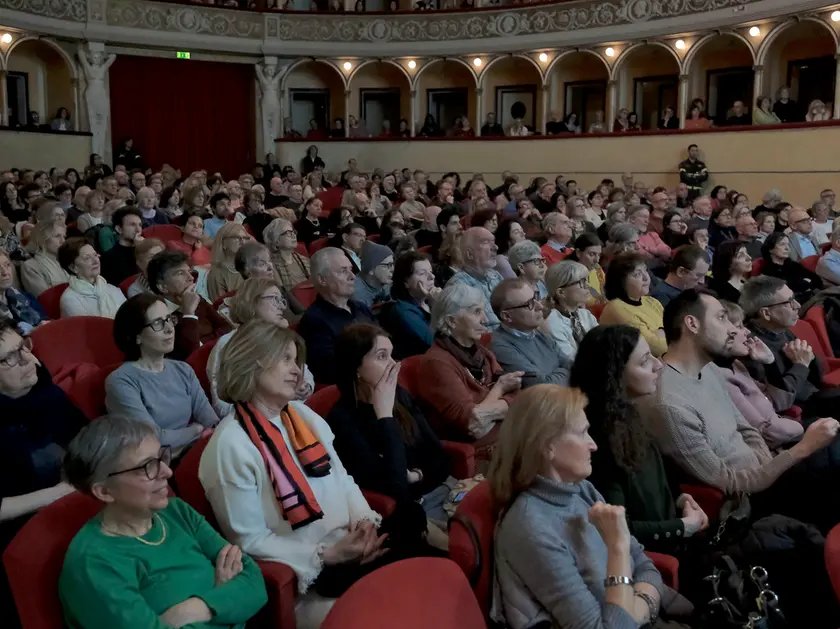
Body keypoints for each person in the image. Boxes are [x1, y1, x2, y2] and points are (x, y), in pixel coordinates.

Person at [199, 320, 413, 621]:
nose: (298, 370)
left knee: (429, 573)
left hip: (353, 548)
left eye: (297, 360)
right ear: (251, 363)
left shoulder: (301, 414)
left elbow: (342, 478)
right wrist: (329, 555)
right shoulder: (230, 446)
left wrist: (365, 522)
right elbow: (249, 542)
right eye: (285, 359)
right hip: (312, 577)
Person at [640, 289, 840, 533]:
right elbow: (731, 484)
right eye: (721, 318)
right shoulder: (669, 405)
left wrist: (770, 463)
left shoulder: (710, 369)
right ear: (692, 324)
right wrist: (802, 449)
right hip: (751, 503)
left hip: (769, 473)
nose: (733, 329)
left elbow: (745, 428)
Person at [58, 416, 267, 629]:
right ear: (104, 491)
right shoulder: (94, 564)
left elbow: (254, 582)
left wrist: (195, 608)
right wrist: (224, 596)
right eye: (147, 466)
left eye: (161, 458)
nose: (167, 471)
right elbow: (243, 591)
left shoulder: (176, 512)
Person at [490, 384, 665, 629]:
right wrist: (617, 548)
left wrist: (637, 611)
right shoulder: (529, 527)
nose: (593, 444)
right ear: (547, 445)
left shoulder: (581, 488)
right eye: (582, 433)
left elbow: (646, 566)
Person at [570, 325, 710, 552]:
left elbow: (660, 477)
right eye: (644, 361)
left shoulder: (629, 415)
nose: (659, 364)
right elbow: (616, 526)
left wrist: (681, 498)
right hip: (652, 559)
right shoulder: (597, 439)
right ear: (614, 374)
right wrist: (682, 526)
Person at [328, 323, 450, 548]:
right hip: (409, 514)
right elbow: (396, 490)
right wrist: (385, 416)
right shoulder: (342, 420)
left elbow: (440, 458)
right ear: (356, 367)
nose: (394, 365)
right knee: (466, 547)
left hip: (440, 490)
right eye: (382, 356)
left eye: (392, 356)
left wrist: (415, 475)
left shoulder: (399, 395)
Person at [415, 281, 522, 451]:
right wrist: (499, 388)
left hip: (508, 435)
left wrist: (487, 412)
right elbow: (470, 425)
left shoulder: (481, 352)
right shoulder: (437, 363)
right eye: (476, 312)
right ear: (452, 321)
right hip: (483, 450)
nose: (485, 320)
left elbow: (517, 395)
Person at [107, 294, 219, 453]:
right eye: (158, 323)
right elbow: (153, 439)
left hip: (199, 450)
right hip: (159, 464)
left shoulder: (183, 369)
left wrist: (203, 431)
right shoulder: (121, 381)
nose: (169, 329)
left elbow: (211, 420)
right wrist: (196, 430)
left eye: (169, 319)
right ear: (137, 336)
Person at [207, 278, 314, 418]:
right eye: (274, 299)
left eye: (282, 301)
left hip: (292, 415)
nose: (282, 307)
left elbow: (306, 374)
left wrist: (306, 387)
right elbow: (222, 405)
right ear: (252, 303)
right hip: (251, 423)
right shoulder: (228, 344)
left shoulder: (283, 338)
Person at [741, 276, 840, 419]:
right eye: (789, 302)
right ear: (766, 313)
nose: (798, 305)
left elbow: (818, 377)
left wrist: (808, 358)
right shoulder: (753, 348)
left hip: (818, 395)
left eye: (794, 298)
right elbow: (780, 401)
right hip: (802, 411)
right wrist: (801, 364)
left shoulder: (782, 329)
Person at [718, 300, 805, 448]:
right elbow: (767, 433)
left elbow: (778, 402)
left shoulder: (736, 364)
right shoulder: (722, 377)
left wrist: (770, 363)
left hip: (787, 431)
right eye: (739, 326)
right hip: (774, 453)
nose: (746, 331)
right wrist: (802, 428)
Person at [298, 247, 376, 384]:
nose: (353, 276)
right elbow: (331, 371)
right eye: (343, 271)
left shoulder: (361, 308)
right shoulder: (314, 321)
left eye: (351, 269)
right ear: (322, 280)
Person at [146, 251, 232, 360]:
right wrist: (188, 314)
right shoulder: (158, 317)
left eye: (189, 272)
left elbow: (227, 328)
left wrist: (205, 343)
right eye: (180, 273)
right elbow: (191, 354)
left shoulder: (197, 299)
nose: (191, 278)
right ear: (162, 287)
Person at [490, 278, 570, 387]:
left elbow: (573, 366)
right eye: (529, 304)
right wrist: (564, 371)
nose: (540, 306)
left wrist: (557, 373)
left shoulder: (535, 333)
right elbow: (543, 386)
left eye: (536, 298)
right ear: (507, 316)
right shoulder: (501, 346)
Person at [599, 253, 667, 356]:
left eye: (645, 270)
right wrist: (664, 330)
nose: (646, 278)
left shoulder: (652, 302)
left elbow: (678, 332)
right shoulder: (616, 308)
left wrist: (661, 333)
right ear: (620, 282)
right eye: (637, 274)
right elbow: (657, 348)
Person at [378, 251, 439, 360]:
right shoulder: (403, 311)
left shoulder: (429, 301)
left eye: (431, 271)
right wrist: (439, 307)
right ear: (406, 282)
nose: (432, 276)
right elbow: (434, 344)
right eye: (422, 273)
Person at [445, 227, 504, 330]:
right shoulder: (458, 286)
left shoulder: (496, 276)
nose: (495, 247)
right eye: (486, 242)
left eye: (493, 242)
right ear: (470, 254)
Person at [543, 261, 599, 360]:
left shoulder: (585, 314)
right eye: (581, 282)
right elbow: (571, 360)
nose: (588, 286)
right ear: (561, 292)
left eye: (586, 280)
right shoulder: (552, 323)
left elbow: (603, 343)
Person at [58, 237, 126, 318]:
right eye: (87, 258)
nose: (95, 261)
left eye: (95, 255)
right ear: (73, 267)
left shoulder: (111, 289)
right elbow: (89, 329)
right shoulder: (70, 300)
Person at [760, 231, 822, 301]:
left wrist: (802, 284)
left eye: (788, 244)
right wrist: (806, 283)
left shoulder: (793, 265)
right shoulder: (767, 272)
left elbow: (817, 280)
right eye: (782, 244)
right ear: (770, 249)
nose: (787, 248)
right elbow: (784, 293)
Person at [20, 219, 70, 297]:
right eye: (57, 236)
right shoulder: (30, 266)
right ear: (43, 238)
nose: (63, 241)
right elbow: (46, 298)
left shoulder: (62, 262)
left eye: (64, 236)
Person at [0, 250, 46, 333]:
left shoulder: (26, 297)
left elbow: (45, 320)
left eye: (7, 265)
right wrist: (34, 332)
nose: (5, 272)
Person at [263, 218, 310, 293]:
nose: (293, 235)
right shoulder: (271, 264)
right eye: (288, 233)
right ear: (276, 240)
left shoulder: (304, 260)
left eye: (293, 232)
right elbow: (283, 292)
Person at [206, 223, 248, 304]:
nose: (242, 241)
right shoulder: (217, 274)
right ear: (223, 243)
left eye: (245, 238)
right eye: (236, 237)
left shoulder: (250, 268)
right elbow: (220, 308)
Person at [100, 207, 143, 286]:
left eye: (140, 225)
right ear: (119, 229)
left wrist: (142, 249)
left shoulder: (147, 250)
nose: (138, 229)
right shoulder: (109, 258)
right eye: (132, 225)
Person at [354, 240, 393, 307]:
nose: (392, 269)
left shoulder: (387, 285)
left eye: (392, 264)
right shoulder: (357, 293)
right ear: (371, 270)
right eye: (387, 265)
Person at [569, 233, 606, 303]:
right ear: (578, 253)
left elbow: (604, 296)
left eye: (599, 255)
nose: (597, 260)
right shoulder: (570, 275)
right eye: (592, 254)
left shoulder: (597, 269)